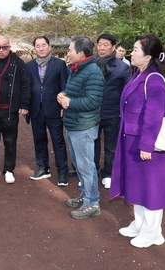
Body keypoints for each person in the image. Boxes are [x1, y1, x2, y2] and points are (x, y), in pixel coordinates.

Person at [110, 34, 165, 248]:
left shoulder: (154, 79)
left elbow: (154, 116)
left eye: (136, 50)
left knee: (152, 188)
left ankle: (153, 233)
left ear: (148, 57)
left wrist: (147, 145)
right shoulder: (138, 74)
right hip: (132, 140)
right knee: (137, 185)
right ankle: (140, 224)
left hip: (147, 144)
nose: (132, 53)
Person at [57, 35, 104, 220]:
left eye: (70, 50)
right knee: (79, 164)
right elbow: (78, 93)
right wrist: (64, 95)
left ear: (81, 53)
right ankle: (86, 195)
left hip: (83, 126)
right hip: (74, 124)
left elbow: (94, 101)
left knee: (86, 166)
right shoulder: (77, 69)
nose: (67, 54)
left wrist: (69, 103)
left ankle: (92, 203)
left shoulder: (92, 72)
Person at [0, 36, 31, 185]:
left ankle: (9, 170)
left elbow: (25, 84)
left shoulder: (19, 64)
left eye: (4, 47)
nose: (1, 50)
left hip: (9, 111)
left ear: (9, 47)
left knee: (10, 141)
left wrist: (24, 104)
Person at [26, 36, 70, 186]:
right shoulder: (29, 65)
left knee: (58, 141)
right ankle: (43, 167)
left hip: (54, 109)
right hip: (36, 110)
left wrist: (63, 106)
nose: (41, 48)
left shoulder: (59, 64)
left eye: (43, 45)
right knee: (39, 140)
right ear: (34, 49)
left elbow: (65, 87)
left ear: (49, 47)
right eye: (38, 46)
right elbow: (27, 88)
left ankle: (62, 171)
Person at [94, 34, 132, 189]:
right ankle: (92, 171)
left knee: (111, 145)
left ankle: (108, 173)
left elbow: (127, 92)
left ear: (113, 47)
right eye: (99, 44)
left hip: (112, 112)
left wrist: (123, 112)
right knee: (92, 143)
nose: (102, 48)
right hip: (93, 112)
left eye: (106, 45)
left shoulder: (123, 67)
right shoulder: (90, 64)